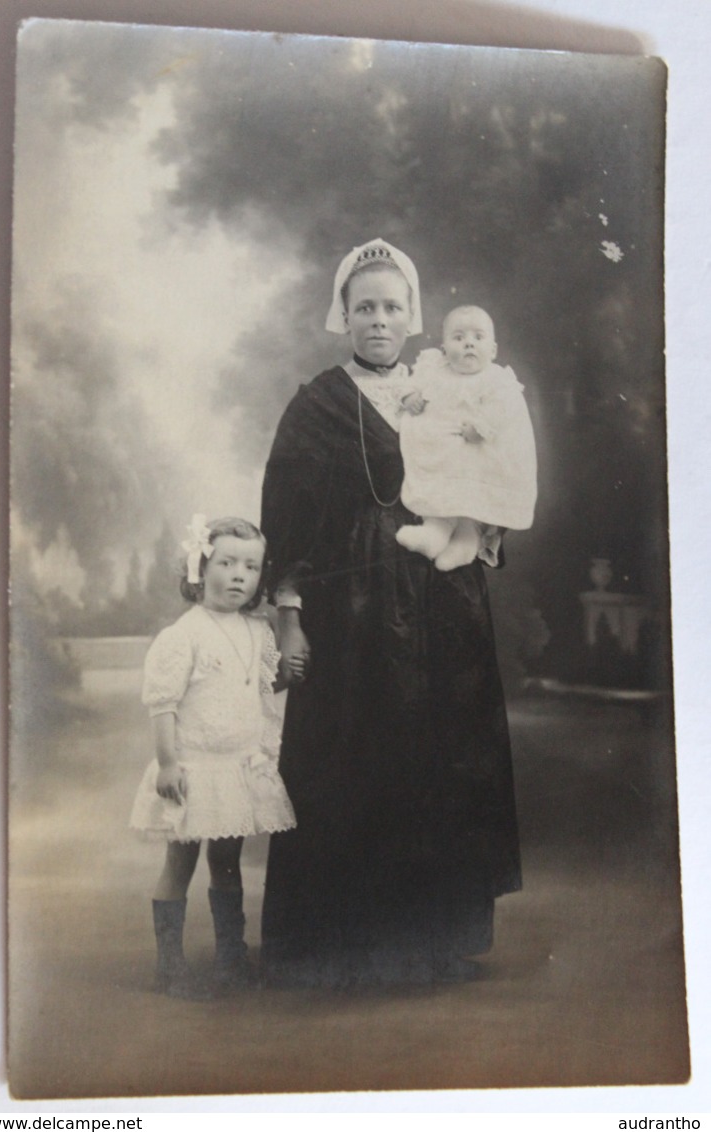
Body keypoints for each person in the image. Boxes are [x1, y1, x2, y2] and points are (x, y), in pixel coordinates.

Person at [259, 238, 522, 988]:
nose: (378, 320)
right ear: (342, 316)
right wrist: (288, 608)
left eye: (392, 308)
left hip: (443, 601)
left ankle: (434, 939)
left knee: (442, 752)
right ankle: (342, 943)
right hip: (353, 611)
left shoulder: (451, 387)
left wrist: (486, 530)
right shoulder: (317, 405)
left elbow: (495, 470)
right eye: (364, 307)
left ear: (414, 318)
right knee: (355, 755)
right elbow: (289, 515)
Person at [130, 515, 297, 997]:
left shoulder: (258, 631)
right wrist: (167, 763)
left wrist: (287, 672)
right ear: (201, 568)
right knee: (180, 863)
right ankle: (170, 964)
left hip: (235, 768)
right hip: (193, 766)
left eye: (251, 566)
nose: (239, 575)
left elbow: (262, 688)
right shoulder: (183, 634)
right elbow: (162, 702)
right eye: (227, 562)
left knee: (227, 862)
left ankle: (231, 957)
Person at [396, 304, 537, 571]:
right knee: (441, 489)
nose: (468, 344)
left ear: (493, 350)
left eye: (478, 337)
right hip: (444, 453)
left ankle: (467, 540)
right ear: (445, 348)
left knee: (472, 500)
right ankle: (435, 531)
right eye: (458, 338)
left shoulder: (497, 379)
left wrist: (481, 427)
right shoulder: (435, 369)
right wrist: (410, 396)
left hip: (479, 452)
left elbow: (502, 410)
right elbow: (411, 383)